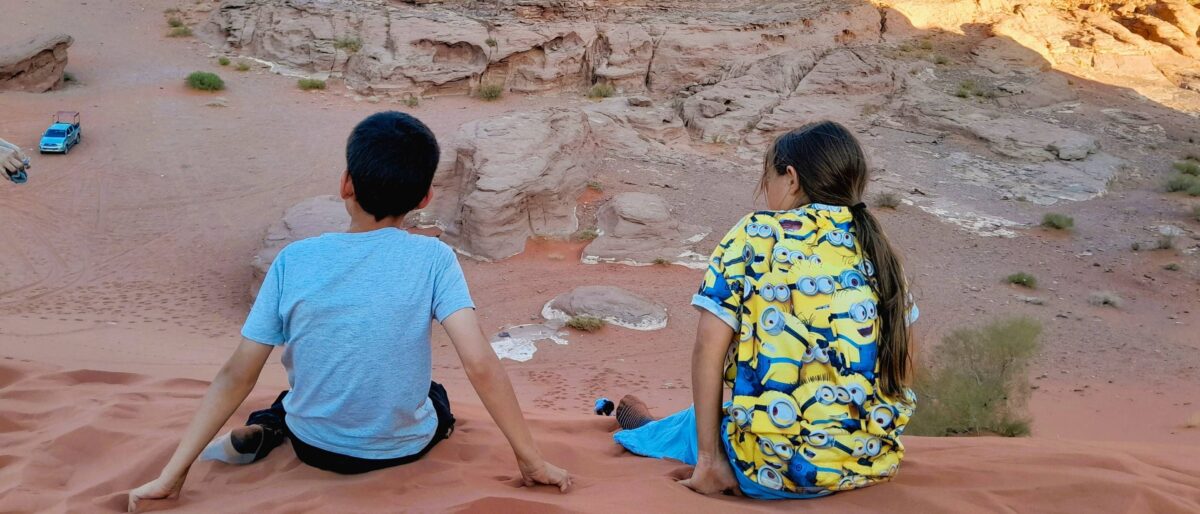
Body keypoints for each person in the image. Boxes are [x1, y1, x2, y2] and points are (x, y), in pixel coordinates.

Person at [127, 111, 571, 512]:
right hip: (403, 448)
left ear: (346, 184)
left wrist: (172, 476)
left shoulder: (294, 260)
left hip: (313, 447)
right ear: (424, 198)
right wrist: (530, 460)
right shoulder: (434, 259)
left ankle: (269, 427)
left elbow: (237, 373)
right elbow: (479, 363)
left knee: (285, 401)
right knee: (437, 397)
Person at [612, 121, 917, 499]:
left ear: (791, 178)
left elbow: (708, 348)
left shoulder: (755, 233)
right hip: (870, 465)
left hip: (767, 470)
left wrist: (710, 461)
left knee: (689, 427)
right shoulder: (879, 249)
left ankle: (642, 431)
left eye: (767, 177)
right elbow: (900, 361)